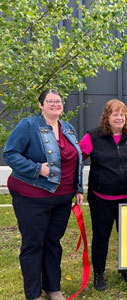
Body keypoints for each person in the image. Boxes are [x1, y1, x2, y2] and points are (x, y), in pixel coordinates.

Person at [3, 89, 83, 300]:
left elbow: (75, 160)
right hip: (32, 197)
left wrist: (78, 187)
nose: (55, 104)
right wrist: (37, 169)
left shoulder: (68, 128)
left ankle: (53, 288)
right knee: (33, 244)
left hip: (63, 198)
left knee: (53, 243)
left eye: (58, 101)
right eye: (50, 101)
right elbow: (10, 153)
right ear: (41, 105)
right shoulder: (29, 125)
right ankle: (33, 294)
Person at [79, 99, 127, 291]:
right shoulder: (93, 137)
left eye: (122, 114)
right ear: (107, 117)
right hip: (101, 198)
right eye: (114, 114)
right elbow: (75, 159)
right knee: (101, 236)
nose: (119, 118)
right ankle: (99, 273)